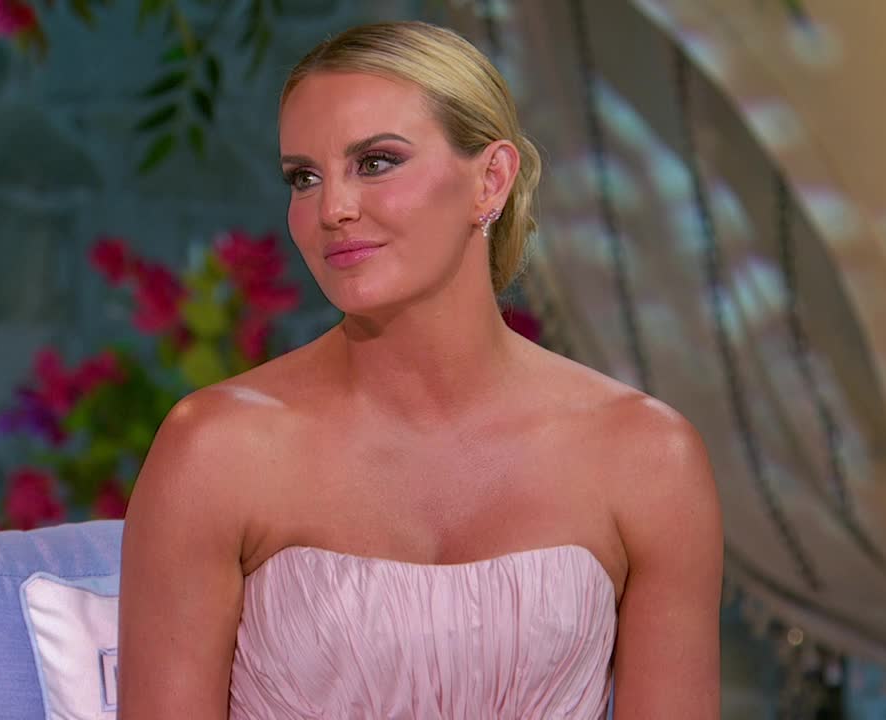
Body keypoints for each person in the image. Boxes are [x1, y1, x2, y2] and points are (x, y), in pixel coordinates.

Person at [119, 20, 722, 719]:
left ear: (490, 181)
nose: (333, 209)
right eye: (304, 178)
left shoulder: (647, 458)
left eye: (376, 162)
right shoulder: (214, 450)